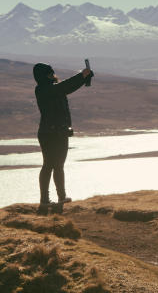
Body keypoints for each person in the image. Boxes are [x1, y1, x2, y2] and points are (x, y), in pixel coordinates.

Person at [33, 62, 93, 212]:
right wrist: (82, 76)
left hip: (56, 132)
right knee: (49, 165)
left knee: (57, 165)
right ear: (44, 75)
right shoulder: (43, 89)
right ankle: (45, 200)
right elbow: (65, 87)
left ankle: (60, 197)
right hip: (50, 133)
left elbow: (67, 88)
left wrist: (82, 78)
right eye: (50, 73)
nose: (53, 74)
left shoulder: (52, 88)